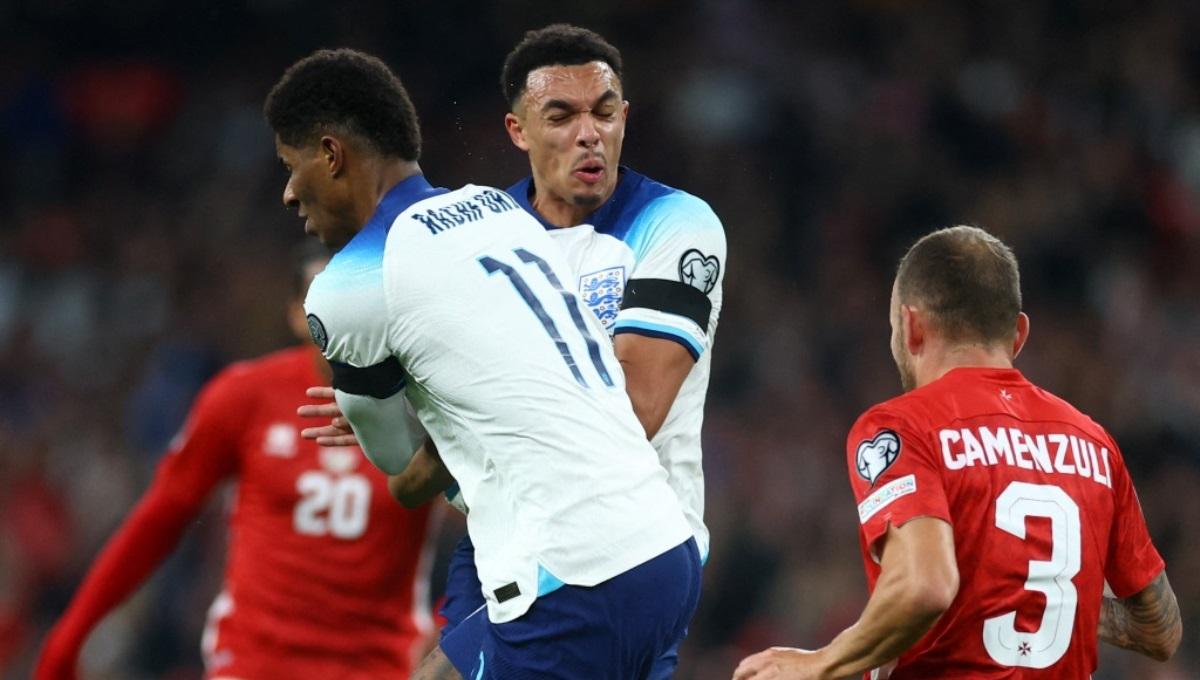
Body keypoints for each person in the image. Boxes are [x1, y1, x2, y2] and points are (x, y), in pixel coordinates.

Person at [267, 48, 700, 679]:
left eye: (289, 165)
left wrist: (399, 419)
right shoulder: (500, 212)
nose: (286, 193)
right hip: (662, 547)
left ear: (331, 155)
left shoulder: (349, 286)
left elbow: (400, 471)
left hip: (571, 580)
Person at [734, 225, 1181, 679]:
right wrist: (1035, 591)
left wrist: (819, 664)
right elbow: (1160, 629)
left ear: (910, 326)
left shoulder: (902, 426)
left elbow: (924, 588)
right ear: (1018, 334)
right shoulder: (1093, 443)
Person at [34, 243, 437, 680]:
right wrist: (70, 635)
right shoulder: (245, 397)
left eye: (351, 299)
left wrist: (447, 630)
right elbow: (159, 519)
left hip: (379, 670)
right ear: (295, 316)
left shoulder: (428, 408)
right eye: (320, 299)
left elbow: (491, 529)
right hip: (253, 664)